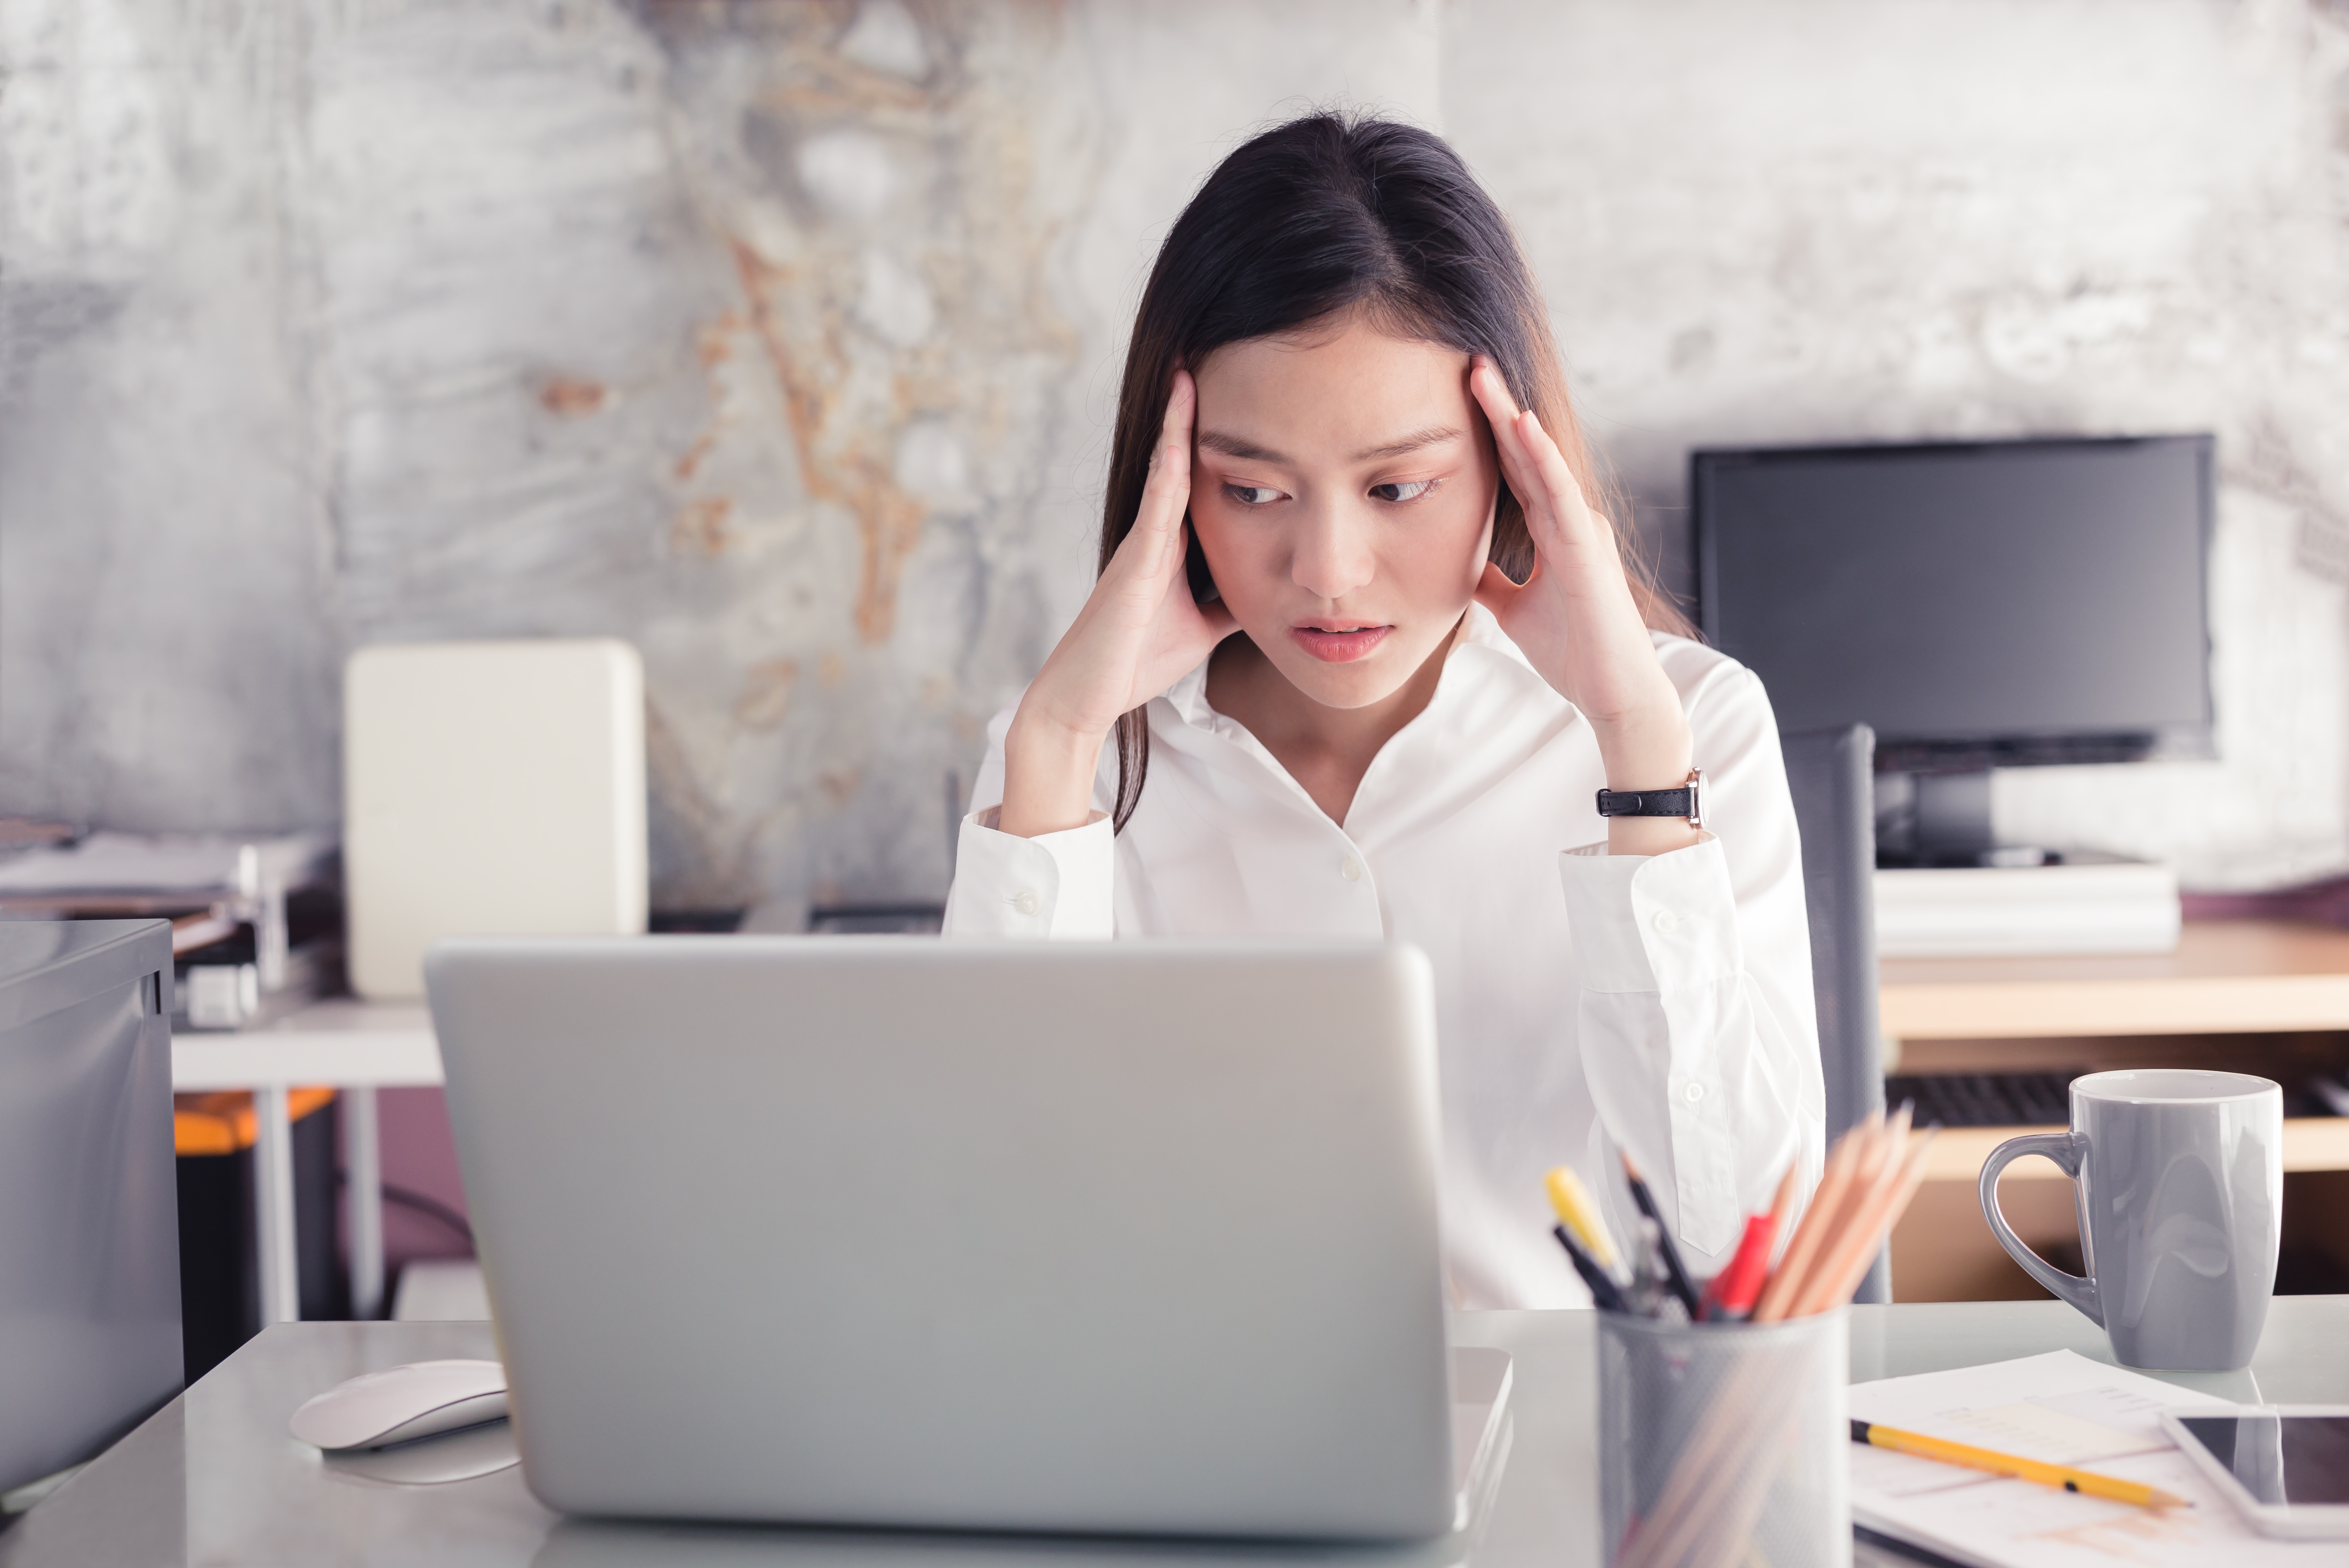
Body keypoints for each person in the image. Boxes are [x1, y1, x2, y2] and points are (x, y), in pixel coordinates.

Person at [944, 112, 1823, 1309]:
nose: (1329, 570)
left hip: (1577, 1454)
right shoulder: (1070, 763)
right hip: (1201, 1454)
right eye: (1252, 489)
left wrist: (1639, 760)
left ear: (1513, 463)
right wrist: (1049, 748)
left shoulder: (1693, 727)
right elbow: (994, 1255)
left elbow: (1745, 1257)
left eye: (1399, 486)